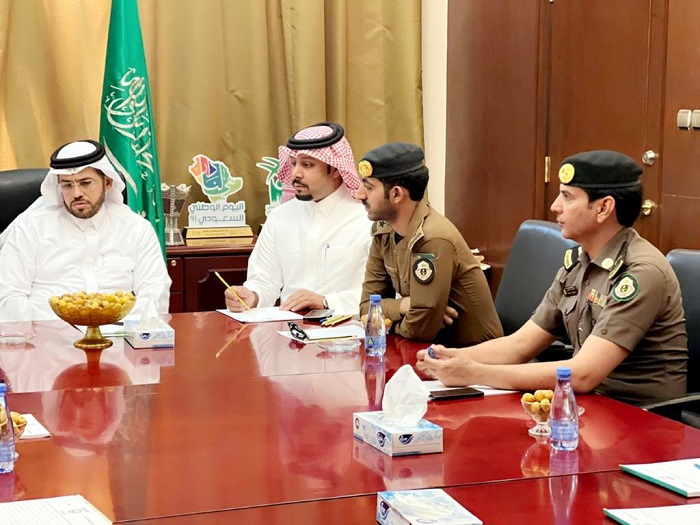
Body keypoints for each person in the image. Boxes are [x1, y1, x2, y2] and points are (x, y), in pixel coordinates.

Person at [417, 150, 687, 405]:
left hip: (639, 416)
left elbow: (583, 374)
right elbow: (520, 345)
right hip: (587, 403)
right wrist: (448, 359)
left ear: (603, 208)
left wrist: (474, 373)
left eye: (567, 197)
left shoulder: (639, 272)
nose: (555, 206)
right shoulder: (579, 262)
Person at [0, 139, 171, 321]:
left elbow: (155, 292)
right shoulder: (30, 227)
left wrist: (115, 328)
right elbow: (8, 297)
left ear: (108, 183)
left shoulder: (136, 228)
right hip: (46, 333)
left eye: (85, 183)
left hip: (119, 334)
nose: (77, 194)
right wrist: (58, 329)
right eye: (67, 185)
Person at [356, 142, 503, 346]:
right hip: (432, 350)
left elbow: (420, 329)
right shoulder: (384, 232)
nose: (359, 194)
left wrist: (391, 321)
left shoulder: (433, 239)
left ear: (396, 194)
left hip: (474, 355)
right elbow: (366, 309)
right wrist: (403, 306)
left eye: (369, 187)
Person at [224, 122, 372, 314]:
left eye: (307, 165)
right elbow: (264, 280)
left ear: (336, 169)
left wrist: (327, 301)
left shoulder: (367, 219)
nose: (295, 173)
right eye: (293, 163)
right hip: (288, 328)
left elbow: (386, 294)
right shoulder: (280, 216)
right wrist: (252, 296)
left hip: (348, 328)